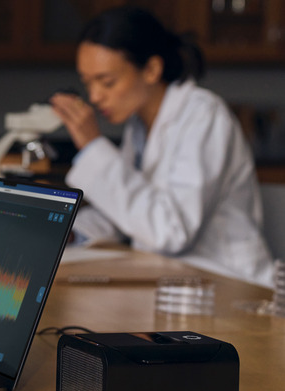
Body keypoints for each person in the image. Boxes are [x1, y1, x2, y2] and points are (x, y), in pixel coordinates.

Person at [50, 6, 274, 287]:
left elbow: (171, 231)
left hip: (230, 284)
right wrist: (68, 234)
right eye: (87, 83)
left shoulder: (203, 115)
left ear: (152, 69)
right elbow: (124, 212)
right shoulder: (139, 126)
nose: (94, 97)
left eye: (106, 82)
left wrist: (92, 145)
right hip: (177, 280)